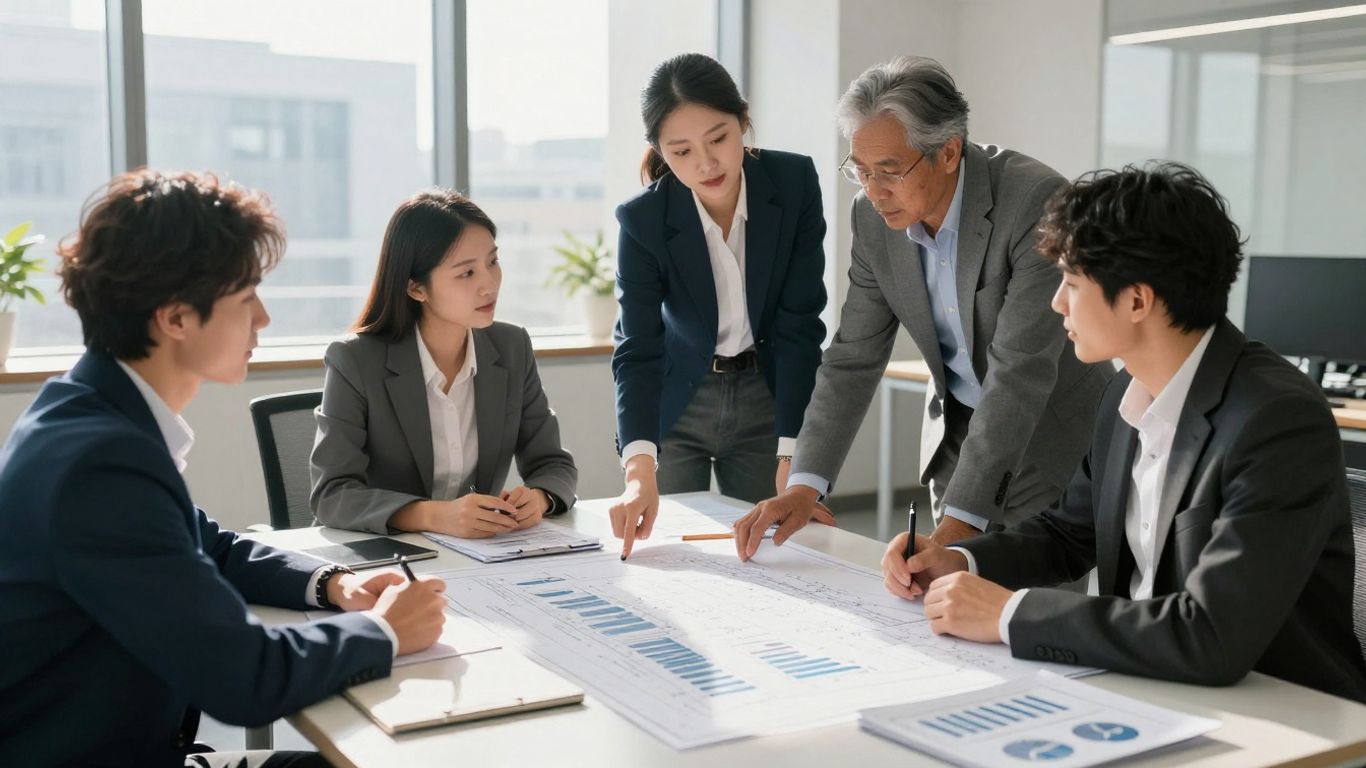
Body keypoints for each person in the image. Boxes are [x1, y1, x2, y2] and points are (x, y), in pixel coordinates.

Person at [0, 170, 448, 767]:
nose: (262, 318)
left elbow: (208, 545)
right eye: (245, 299)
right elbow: (242, 677)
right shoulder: (99, 462)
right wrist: (386, 632)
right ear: (176, 318)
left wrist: (334, 584)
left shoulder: (88, 412)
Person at [881, 163, 1366, 702]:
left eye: (1070, 282)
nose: (1056, 303)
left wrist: (1010, 614)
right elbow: (1069, 534)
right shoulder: (1122, 395)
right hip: (1144, 685)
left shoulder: (1275, 421)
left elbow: (1214, 634)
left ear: (1137, 300)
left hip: (1280, 712)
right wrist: (962, 559)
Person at [735, 56, 1113, 560]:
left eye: (889, 171)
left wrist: (958, 526)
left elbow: (1020, 373)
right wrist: (804, 486)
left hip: (1048, 442)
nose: (873, 190)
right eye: (860, 171)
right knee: (940, 616)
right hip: (956, 440)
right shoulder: (872, 217)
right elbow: (853, 355)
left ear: (950, 152)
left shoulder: (1033, 201)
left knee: (1026, 620)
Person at [610, 53, 830, 558]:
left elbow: (800, 326)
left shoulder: (793, 184)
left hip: (765, 393)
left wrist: (794, 449)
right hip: (679, 400)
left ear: (743, 123)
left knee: (772, 553)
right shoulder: (643, 221)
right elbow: (638, 348)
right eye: (681, 151)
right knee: (669, 554)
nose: (706, 164)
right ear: (660, 151)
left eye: (718, 139)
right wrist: (638, 470)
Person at [311, 189, 577, 537]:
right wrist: (435, 517)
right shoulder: (355, 360)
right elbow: (332, 494)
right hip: (385, 557)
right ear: (416, 288)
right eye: (466, 273)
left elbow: (552, 462)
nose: (489, 284)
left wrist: (539, 498)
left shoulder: (511, 347)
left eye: (492, 262)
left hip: (479, 555)